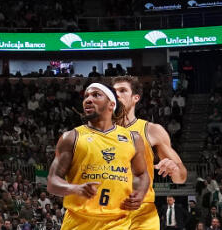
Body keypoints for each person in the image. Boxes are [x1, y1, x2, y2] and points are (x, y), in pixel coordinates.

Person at [47, 83, 152, 230]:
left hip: (117, 222)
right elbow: (52, 182)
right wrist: (75, 189)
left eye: (96, 95)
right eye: (86, 96)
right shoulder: (71, 137)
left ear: (111, 104)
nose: (88, 99)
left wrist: (140, 194)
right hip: (78, 222)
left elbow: (142, 174)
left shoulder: (132, 138)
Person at [111, 77, 189, 230]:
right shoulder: (96, 131)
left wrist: (173, 167)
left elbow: (181, 177)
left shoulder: (151, 130)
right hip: (107, 208)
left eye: (122, 90)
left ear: (136, 98)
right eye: (114, 92)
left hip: (141, 210)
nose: (117, 95)